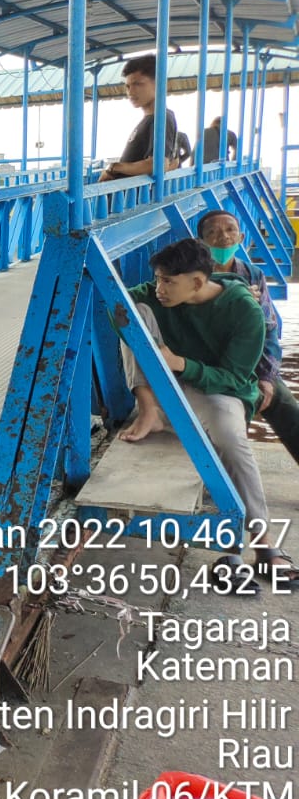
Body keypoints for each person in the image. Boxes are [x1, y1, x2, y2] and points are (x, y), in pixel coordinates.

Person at [118, 237, 296, 589]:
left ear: (197, 282)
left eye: (168, 282)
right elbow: (116, 307)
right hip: (171, 384)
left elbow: (234, 378)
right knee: (130, 313)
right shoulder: (159, 295)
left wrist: (181, 364)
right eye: (157, 279)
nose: (159, 288)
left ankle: (262, 545)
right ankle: (148, 410)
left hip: (219, 389)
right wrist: (164, 369)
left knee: (230, 441)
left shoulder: (244, 310)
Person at [197, 209, 299, 465]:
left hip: (250, 365)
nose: (224, 238)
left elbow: (268, 329)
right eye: (213, 232)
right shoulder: (194, 277)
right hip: (212, 365)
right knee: (226, 419)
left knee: (287, 409)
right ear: (201, 242)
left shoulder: (252, 275)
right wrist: (227, 297)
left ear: (241, 236)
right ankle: (220, 483)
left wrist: (266, 378)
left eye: (230, 230)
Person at [98, 54, 179, 182]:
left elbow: (158, 164)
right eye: (128, 86)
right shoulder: (151, 118)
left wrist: (114, 167)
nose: (130, 92)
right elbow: (173, 161)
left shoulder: (161, 118)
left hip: (133, 200)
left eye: (137, 84)